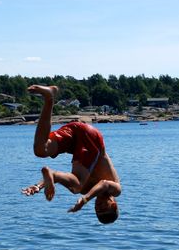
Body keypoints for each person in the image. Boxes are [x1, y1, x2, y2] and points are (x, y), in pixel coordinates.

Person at [22, 85, 121, 224]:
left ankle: (49, 97)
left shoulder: (85, 189)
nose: (98, 206)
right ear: (114, 204)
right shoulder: (115, 190)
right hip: (91, 139)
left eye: (97, 209)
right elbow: (103, 184)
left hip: (76, 136)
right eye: (104, 208)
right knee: (77, 187)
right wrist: (85, 199)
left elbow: (61, 180)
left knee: (40, 149)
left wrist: (38, 186)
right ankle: (52, 173)